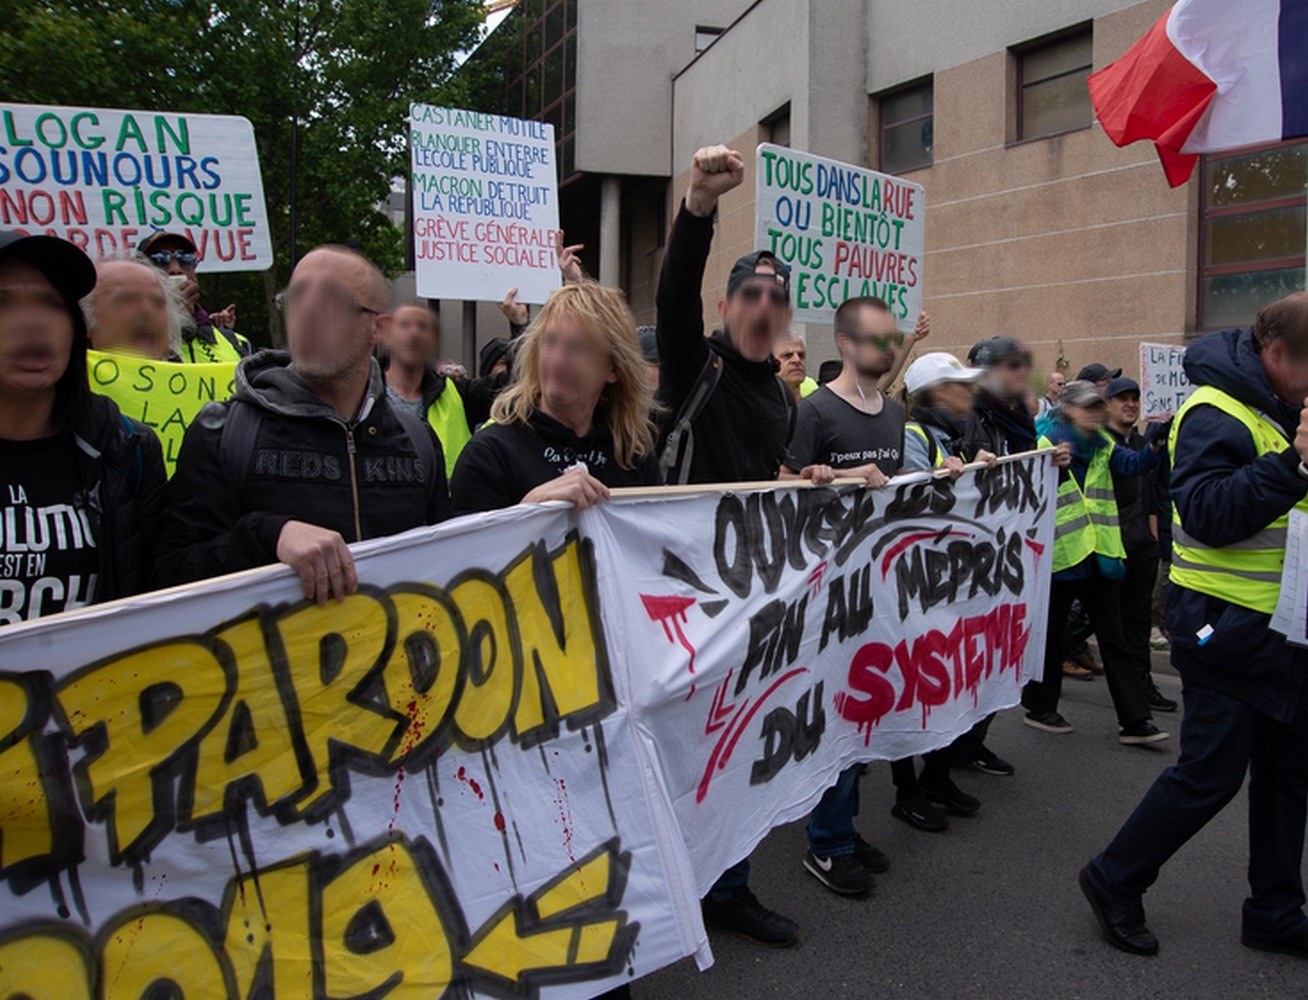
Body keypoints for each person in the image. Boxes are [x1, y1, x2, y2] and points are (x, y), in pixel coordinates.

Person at [1082, 295, 1308, 959]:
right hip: (1227, 630)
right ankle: (1113, 878)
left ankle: (1274, 910)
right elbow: (1208, 511)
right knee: (1209, 774)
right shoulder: (1214, 411)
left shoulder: (1284, 408)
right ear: (1276, 355)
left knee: (1287, 775)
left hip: (1286, 630)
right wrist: (1294, 466)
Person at [655, 142, 797, 945]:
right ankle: (664, 881)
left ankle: (726, 886)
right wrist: (698, 207)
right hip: (674, 595)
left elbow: (760, 477)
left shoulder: (780, 397)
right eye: (749, 293)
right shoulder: (692, 361)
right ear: (726, 307)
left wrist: (802, 481)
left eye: (775, 297)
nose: (761, 306)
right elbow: (674, 292)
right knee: (679, 750)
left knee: (737, 747)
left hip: (746, 595)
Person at [155, 244, 449, 602]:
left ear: (378, 329)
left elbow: (445, 569)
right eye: (296, 299)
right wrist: (269, 535)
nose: (307, 314)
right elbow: (171, 571)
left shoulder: (417, 440)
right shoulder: (225, 434)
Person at [779, 296, 902, 894]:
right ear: (848, 345)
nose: (890, 346)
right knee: (836, 716)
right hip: (826, 594)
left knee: (867, 712)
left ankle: (844, 827)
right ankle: (826, 844)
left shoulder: (896, 412)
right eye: (878, 338)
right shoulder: (816, 411)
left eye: (893, 337)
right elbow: (775, 488)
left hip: (876, 585)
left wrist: (951, 473)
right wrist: (817, 478)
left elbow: (895, 495)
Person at [0, 231, 166, 625]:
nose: (33, 321)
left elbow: (168, 587)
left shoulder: (129, 449)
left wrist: (270, 532)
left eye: (51, 303)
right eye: (4, 302)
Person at [885, 351, 1002, 834]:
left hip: (947, 582)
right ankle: (907, 790)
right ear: (936, 392)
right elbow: (910, 506)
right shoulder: (914, 437)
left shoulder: (950, 435)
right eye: (959, 385)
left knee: (946, 683)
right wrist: (949, 478)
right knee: (915, 686)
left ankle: (935, 775)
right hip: (918, 586)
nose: (969, 394)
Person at [1026, 380, 1168, 743]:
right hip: (1061, 557)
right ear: (1069, 409)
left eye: (1097, 405)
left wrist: (1154, 446)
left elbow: (1134, 464)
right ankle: (1040, 706)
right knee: (1053, 638)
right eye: (1087, 406)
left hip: (1099, 556)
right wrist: (1052, 468)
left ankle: (1135, 721)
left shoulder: (1104, 442)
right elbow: (1029, 493)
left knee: (1114, 638)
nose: (1094, 411)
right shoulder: (1045, 445)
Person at [450, 281, 658, 513]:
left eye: (577, 347)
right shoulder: (490, 454)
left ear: (613, 369)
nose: (557, 360)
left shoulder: (632, 455)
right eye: (549, 342)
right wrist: (530, 509)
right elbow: (469, 548)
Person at [1103, 377, 1177, 714]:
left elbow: (1156, 489)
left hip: (1141, 545)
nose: (1130, 404)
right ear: (1107, 405)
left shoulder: (1145, 441)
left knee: (1135, 621)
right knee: (1095, 621)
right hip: (1108, 546)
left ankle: (1141, 687)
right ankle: (1046, 676)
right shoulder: (1099, 443)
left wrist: (1156, 531)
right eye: (1122, 399)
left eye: (1135, 398)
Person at [382, 301, 472, 479]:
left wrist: (518, 324)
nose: (414, 333)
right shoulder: (362, 391)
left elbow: (514, 382)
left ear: (435, 339)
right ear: (385, 334)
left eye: (423, 327)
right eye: (404, 325)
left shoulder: (456, 393)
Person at [138, 230, 251, 362]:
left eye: (185, 259)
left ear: (195, 275)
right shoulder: (122, 343)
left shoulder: (237, 343)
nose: (176, 269)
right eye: (159, 260)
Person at [83, 255, 187, 360]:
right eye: (127, 299)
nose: (147, 311)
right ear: (85, 319)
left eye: (158, 303)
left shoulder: (193, 376)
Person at [775, 333, 817, 401]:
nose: (797, 360)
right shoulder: (757, 408)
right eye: (787, 355)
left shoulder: (815, 409)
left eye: (801, 355)